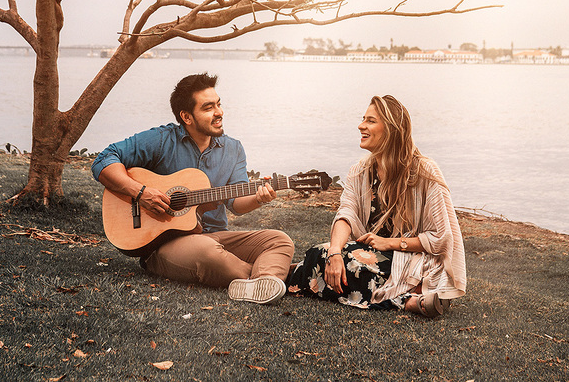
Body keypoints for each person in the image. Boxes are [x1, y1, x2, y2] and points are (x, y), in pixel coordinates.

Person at [91, 73, 294, 304]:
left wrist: (259, 199)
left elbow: (236, 204)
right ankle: (277, 278)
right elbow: (104, 160)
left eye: (218, 104)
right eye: (208, 107)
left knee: (279, 239)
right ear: (186, 117)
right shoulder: (161, 139)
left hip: (217, 237)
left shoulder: (233, 149)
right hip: (165, 245)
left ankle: (264, 282)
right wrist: (140, 192)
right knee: (207, 251)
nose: (219, 112)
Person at [287, 94, 466, 317]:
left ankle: (291, 275)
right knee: (324, 253)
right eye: (363, 119)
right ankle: (410, 300)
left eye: (371, 121)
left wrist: (389, 243)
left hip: (412, 260)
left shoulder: (424, 171)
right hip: (367, 254)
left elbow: (442, 239)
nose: (361, 125)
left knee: (352, 265)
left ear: (391, 130)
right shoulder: (360, 171)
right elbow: (346, 215)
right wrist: (334, 252)